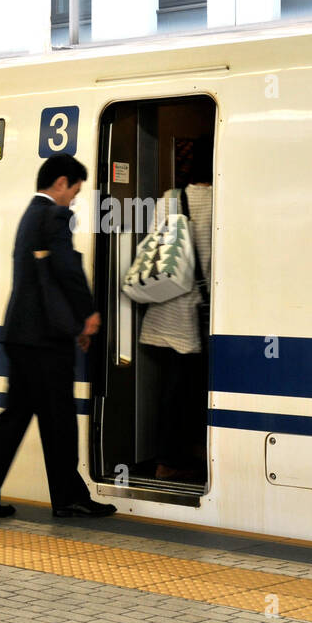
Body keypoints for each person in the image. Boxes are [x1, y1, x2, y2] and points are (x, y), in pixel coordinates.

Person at [0, 155, 114, 519]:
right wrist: (87, 313)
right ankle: (68, 498)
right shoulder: (54, 215)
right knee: (59, 417)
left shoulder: (31, 214)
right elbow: (65, 267)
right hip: (46, 340)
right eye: (74, 192)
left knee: (16, 417)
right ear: (61, 182)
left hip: (22, 335)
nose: (73, 200)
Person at [139, 136, 214, 482]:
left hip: (164, 306)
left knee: (173, 387)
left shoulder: (169, 199)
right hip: (194, 311)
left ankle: (176, 454)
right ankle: (171, 459)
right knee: (188, 390)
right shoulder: (219, 201)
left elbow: (152, 248)